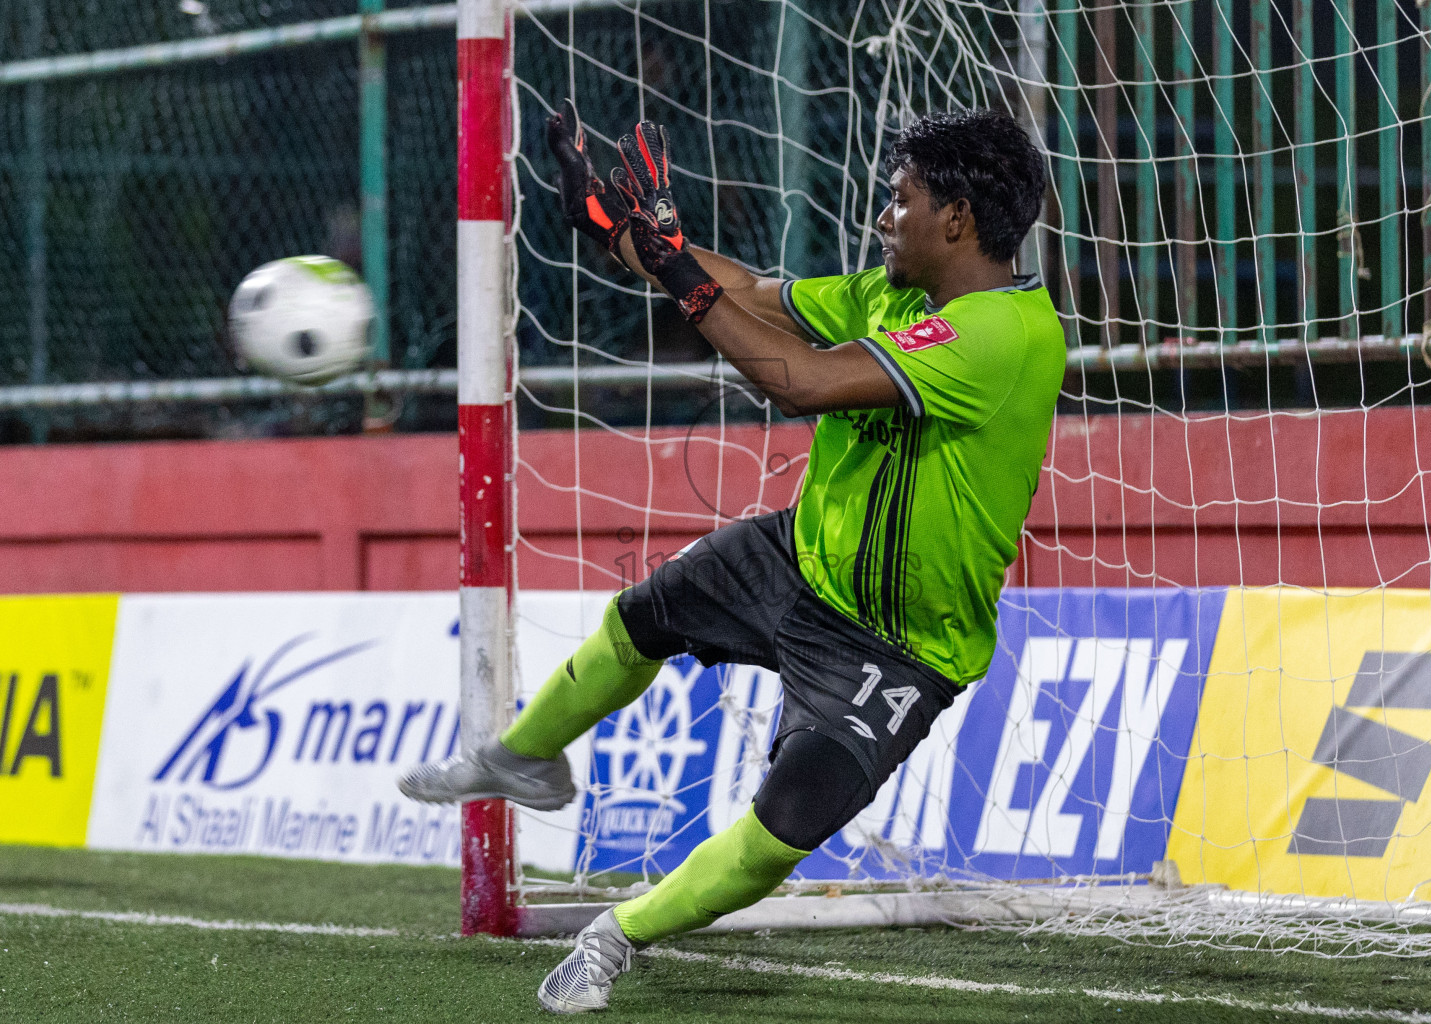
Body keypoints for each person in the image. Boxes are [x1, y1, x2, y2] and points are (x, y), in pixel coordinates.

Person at [398, 100, 1064, 1014]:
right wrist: (628, 234)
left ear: (957, 218)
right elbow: (746, 294)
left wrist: (676, 270)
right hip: (801, 556)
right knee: (640, 618)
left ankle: (613, 937)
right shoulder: (893, 293)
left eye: (900, 199)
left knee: (781, 831)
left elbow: (805, 383)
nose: (884, 215)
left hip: (899, 645)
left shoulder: (1004, 336)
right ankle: (522, 757)